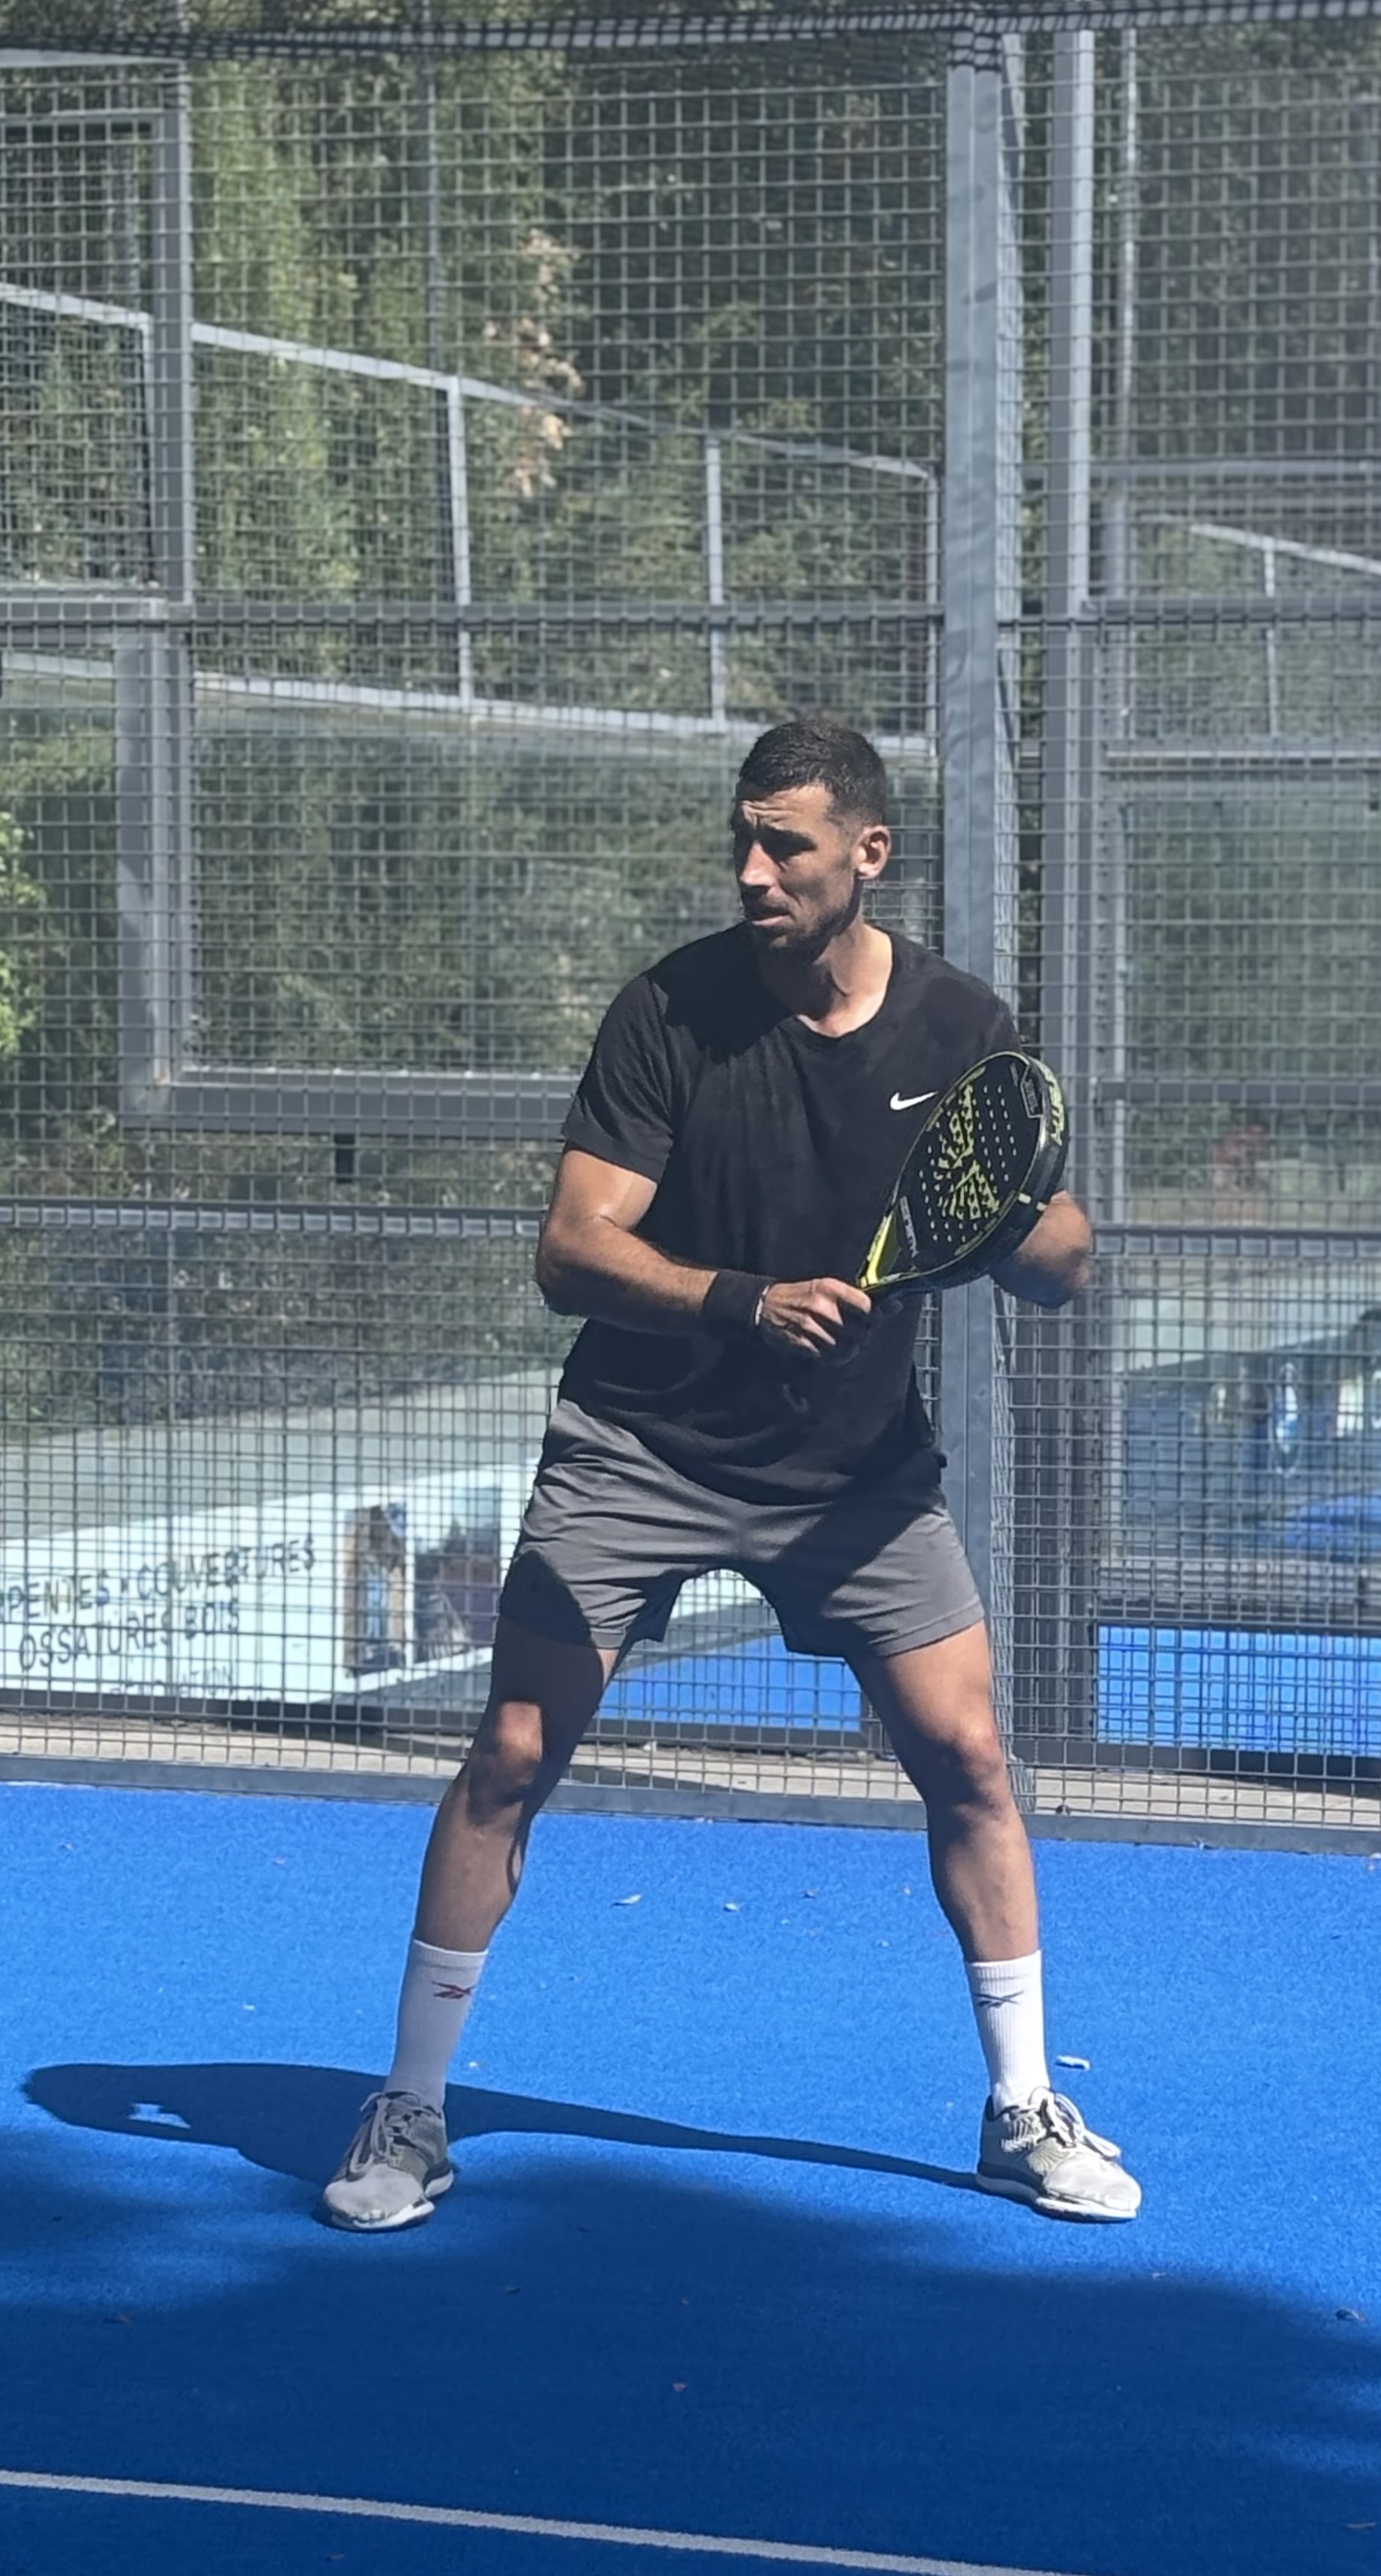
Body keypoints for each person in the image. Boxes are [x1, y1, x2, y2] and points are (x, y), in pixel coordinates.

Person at [321, 716, 1138, 2231]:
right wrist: (739, 1301)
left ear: (868, 854)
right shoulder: (668, 1012)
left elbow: (1064, 1259)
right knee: (510, 1753)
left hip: (855, 1474)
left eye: (787, 846)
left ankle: (1022, 2107)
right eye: (741, 844)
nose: (754, 872)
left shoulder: (961, 1025)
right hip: (640, 1447)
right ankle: (409, 2108)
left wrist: (1002, 1229)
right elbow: (572, 1249)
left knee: (969, 1760)